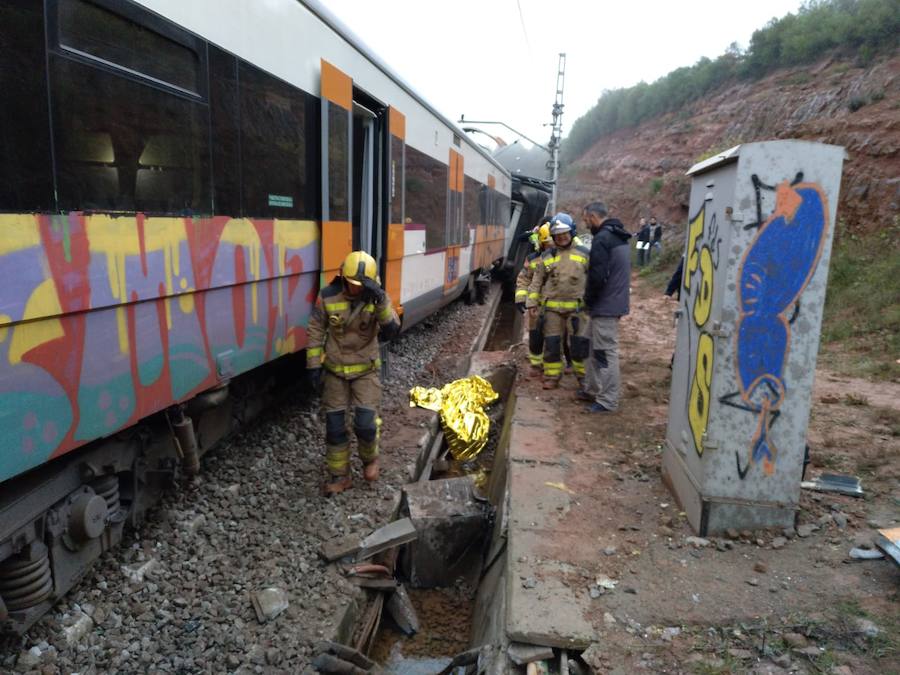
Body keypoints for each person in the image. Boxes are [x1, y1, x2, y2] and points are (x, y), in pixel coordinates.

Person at [306, 251, 400, 495]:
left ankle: (370, 460)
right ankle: (340, 475)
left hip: (365, 371)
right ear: (343, 277)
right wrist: (314, 366)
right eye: (351, 283)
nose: (355, 289)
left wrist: (379, 302)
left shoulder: (377, 298)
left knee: (366, 424)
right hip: (335, 372)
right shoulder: (327, 296)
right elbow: (315, 330)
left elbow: (392, 330)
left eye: (360, 285)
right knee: (335, 427)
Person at [526, 213, 590, 390]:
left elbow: (594, 280)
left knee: (578, 345)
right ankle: (552, 376)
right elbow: (537, 281)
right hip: (552, 309)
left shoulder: (584, 254)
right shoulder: (548, 256)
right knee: (552, 343)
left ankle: (583, 378)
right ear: (553, 237)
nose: (562, 238)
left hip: (577, 310)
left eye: (565, 234)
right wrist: (532, 303)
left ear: (572, 233)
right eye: (558, 236)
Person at [581, 201, 631, 412]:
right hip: (613, 301)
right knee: (588, 344)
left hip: (605, 305)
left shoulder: (602, 239)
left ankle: (607, 400)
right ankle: (592, 387)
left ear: (593, 217)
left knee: (605, 352)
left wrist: (588, 301)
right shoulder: (619, 235)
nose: (586, 225)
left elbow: (597, 277)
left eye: (586, 220)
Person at [515, 219, 552, 375]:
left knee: (554, 337)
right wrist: (521, 298)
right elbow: (524, 279)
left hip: (555, 304)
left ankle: (553, 367)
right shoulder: (533, 258)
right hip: (536, 304)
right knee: (535, 334)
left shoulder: (564, 257)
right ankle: (536, 364)